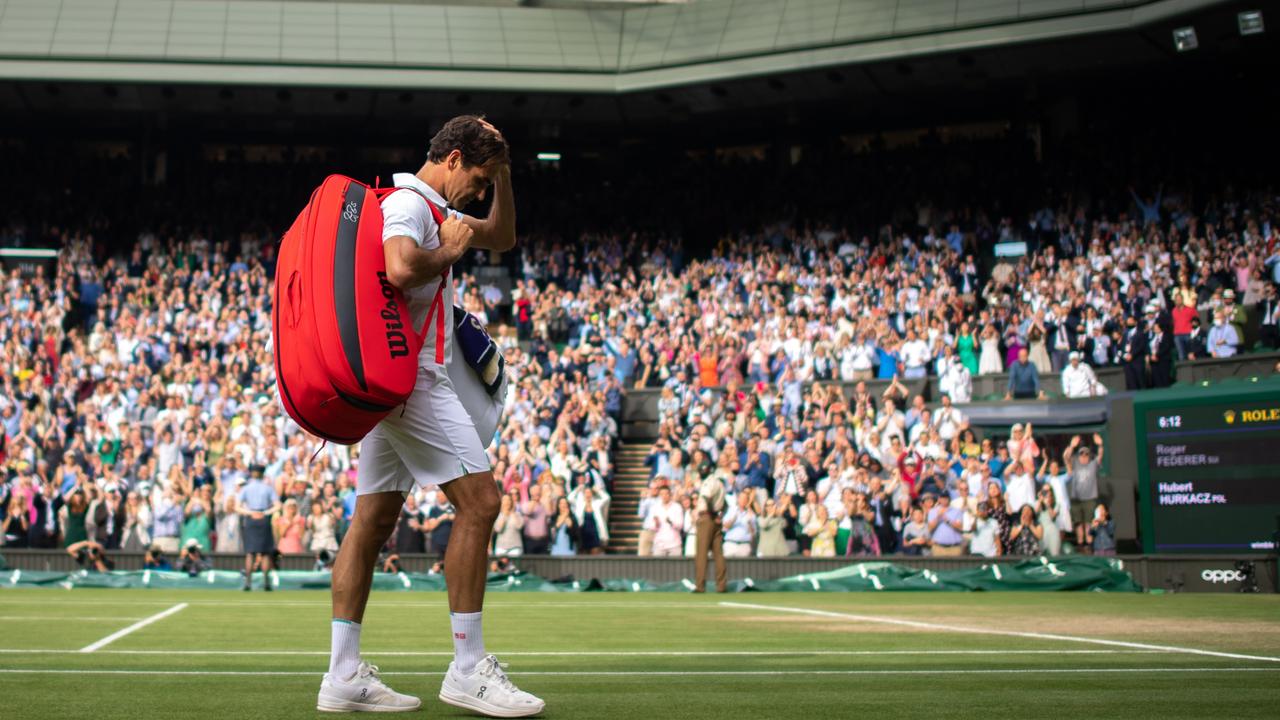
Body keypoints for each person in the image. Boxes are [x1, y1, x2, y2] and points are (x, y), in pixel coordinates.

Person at [319, 116, 543, 716]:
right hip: (414, 380)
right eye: (477, 175)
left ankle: (342, 675)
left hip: (394, 385)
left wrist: (504, 174)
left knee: (372, 519)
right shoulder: (410, 206)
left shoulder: (431, 203)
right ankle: (468, 669)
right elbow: (399, 266)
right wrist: (447, 250)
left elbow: (501, 236)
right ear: (450, 160)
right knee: (481, 504)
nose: (477, 189)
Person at [238, 464, 280, 592]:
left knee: (250, 552)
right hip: (262, 518)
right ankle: (266, 581)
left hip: (251, 519)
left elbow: (237, 507)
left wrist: (251, 513)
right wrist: (265, 512)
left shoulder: (246, 488)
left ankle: (248, 582)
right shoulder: (267, 488)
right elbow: (278, 505)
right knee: (265, 553)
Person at [1064, 435, 1104, 551]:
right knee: (1078, 523)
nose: (1084, 456)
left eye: (1086, 454)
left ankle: (1089, 545)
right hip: (1076, 499)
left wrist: (1100, 445)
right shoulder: (1075, 464)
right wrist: (1072, 446)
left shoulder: (1092, 465)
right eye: (1082, 454)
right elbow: (1066, 457)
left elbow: (1100, 456)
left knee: (1088, 523)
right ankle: (1081, 544)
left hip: (1089, 498)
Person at [693, 464, 727, 593]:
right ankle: (721, 585)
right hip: (716, 520)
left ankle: (700, 586)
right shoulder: (720, 483)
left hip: (707, 517)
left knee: (701, 553)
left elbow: (707, 498)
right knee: (718, 554)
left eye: (703, 470)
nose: (701, 472)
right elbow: (726, 504)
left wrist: (713, 514)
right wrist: (719, 514)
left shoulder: (709, 482)